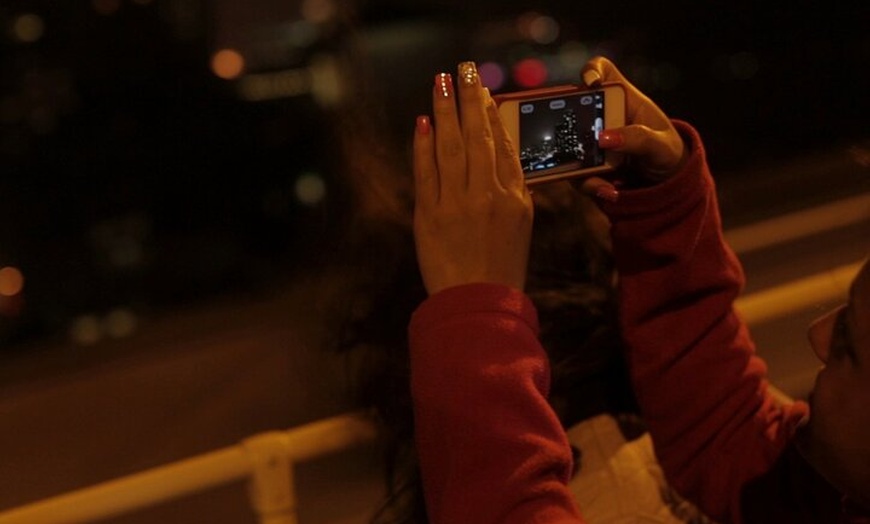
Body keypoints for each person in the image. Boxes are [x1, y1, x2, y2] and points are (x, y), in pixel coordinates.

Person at [408, 56, 870, 524]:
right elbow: (738, 452)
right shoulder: (839, 494)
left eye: (851, 347)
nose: (818, 335)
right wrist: (666, 205)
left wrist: (478, 322)